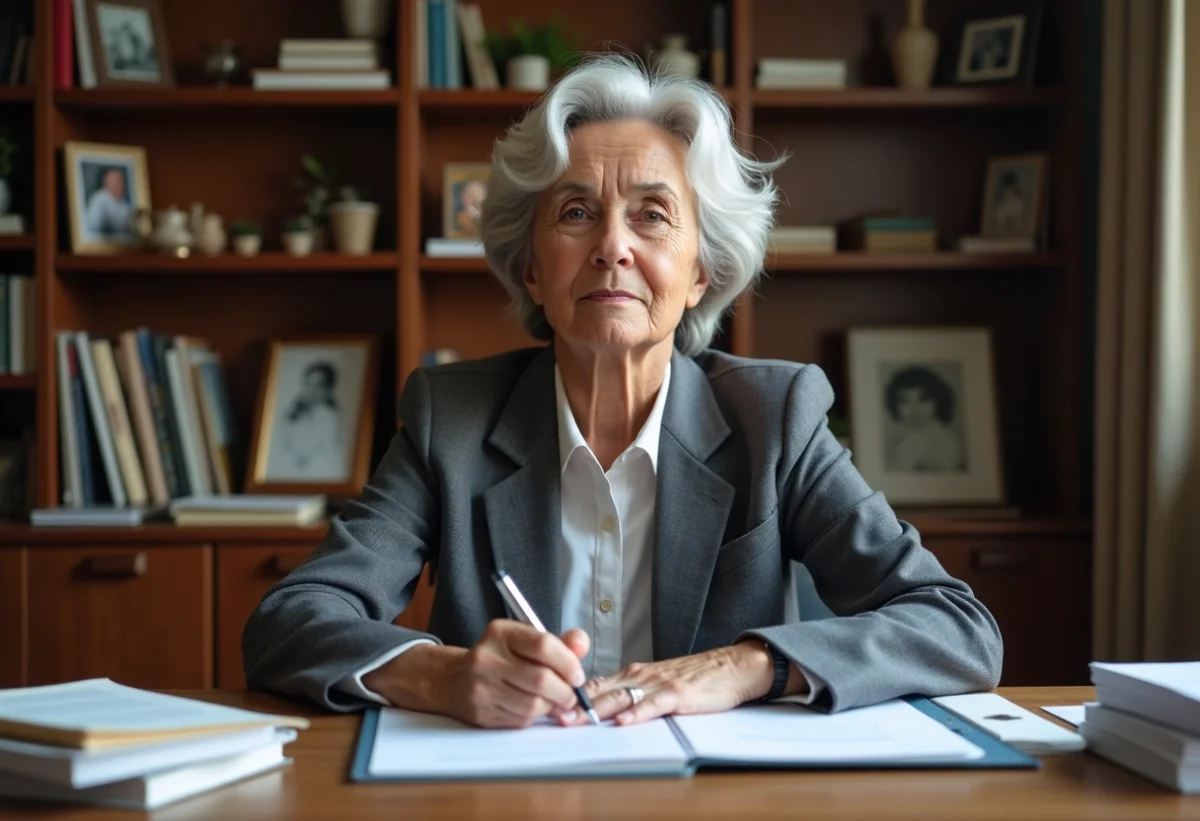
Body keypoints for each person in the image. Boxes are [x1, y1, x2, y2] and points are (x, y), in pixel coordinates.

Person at [243, 55, 1001, 729]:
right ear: (532, 269)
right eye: (576, 213)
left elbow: (956, 626)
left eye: (652, 214)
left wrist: (741, 665)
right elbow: (289, 620)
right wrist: (441, 674)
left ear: (703, 271)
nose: (613, 244)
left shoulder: (778, 419)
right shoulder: (453, 421)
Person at [884, 366, 965, 472]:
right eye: (904, 401)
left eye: (923, 399)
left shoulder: (945, 441)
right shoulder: (900, 439)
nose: (914, 409)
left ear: (938, 401)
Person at [277, 361, 341, 476]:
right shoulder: (296, 413)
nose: (311, 391)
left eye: (318, 386)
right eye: (308, 384)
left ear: (328, 389)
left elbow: (323, 453)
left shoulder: (330, 418)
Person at [84, 166, 133, 237]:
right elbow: (93, 227)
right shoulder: (100, 198)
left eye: (121, 181)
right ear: (105, 183)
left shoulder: (124, 204)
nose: (120, 185)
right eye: (115, 181)